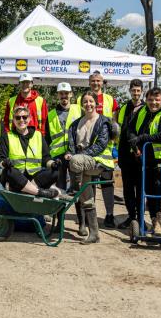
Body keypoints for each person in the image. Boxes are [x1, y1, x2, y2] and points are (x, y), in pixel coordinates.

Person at [65, 91, 115, 244]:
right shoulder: (76, 124)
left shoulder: (103, 122)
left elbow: (100, 145)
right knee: (87, 197)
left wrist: (78, 156)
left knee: (75, 162)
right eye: (85, 102)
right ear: (81, 105)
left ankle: (74, 188)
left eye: (91, 101)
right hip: (82, 163)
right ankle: (94, 234)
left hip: (98, 161)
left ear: (96, 103)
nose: (88, 104)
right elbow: (71, 145)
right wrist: (70, 153)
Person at [127, 87, 161, 236]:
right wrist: (134, 144)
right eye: (150, 100)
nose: (153, 102)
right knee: (147, 191)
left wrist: (141, 138)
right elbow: (131, 130)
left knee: (160, 191)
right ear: (146, 100)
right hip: (144, 160)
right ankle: (153, 220)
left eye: (157, 100)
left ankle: (160, 221)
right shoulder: (142, 112)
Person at [0, 106, 58, 199]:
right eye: (18, 118)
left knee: (55, 172)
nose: (21, 120)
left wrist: (53, 164)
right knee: (9, 171)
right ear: (13, 120)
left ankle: (25, 191)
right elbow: (0, 158)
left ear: (29, 119)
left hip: (34, 178)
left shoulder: (38, 135)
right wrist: (4, 163)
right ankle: (39, 192)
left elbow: (46, 158)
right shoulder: (7, 136)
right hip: (16, 178)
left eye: (24, 117)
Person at [116, 79, 145, 229]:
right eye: (133, 90)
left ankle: (141, 219)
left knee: (140, 189)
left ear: (142, 91)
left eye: (138, 90)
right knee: (127, 189)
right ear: (130, 91)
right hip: (125, 156)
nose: (136, 93)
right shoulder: (124, 108)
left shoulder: (146, 108)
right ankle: (131, 217)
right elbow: (121, 130)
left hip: (140, 156)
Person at [45, 83, 81, 192]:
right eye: (61, 93)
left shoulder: (79, 110)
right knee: (60, 188)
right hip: (57, 156)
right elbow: (47, 138)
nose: (64, 96)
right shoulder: (50, 115)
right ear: (57, 95)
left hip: (75, 153)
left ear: (71, 94)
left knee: (77, 188)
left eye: (66, 93)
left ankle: (78, 203)